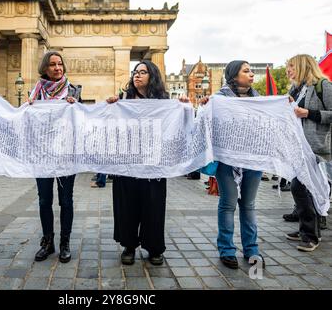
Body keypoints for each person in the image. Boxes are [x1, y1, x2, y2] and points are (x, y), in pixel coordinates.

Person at [106, 60, 189, 266]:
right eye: (135, 72)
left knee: (153, 206)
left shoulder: (164, 101)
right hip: (127, 163)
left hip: (153, 164)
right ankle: (129, 245)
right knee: (127, 206)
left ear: (152, 76)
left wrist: (184, 107)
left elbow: (179, 125)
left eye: (142, 72)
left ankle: (154, 247)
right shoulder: (123, 99)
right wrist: (110, 106)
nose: (137, 75)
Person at [199, 60, 265, 269]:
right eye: (246, 71)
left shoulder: (260, 100)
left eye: (251, 71)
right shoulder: (219, 98)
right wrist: (206, 106)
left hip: (253, 158)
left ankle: (251, 250)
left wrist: (286, 103)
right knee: (228, 203)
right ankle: (227, 249)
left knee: (249, 204)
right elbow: (207, 122)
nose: (251, 74)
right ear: (234, 75)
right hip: (227, 160)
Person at [29, 51, 81, 263]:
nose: (57, 68)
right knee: (44, 201)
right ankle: (48, 242)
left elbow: (82, 121)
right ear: (45, 68)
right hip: (42, 155)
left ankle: (65, 242)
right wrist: (28, 109)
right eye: (52, 64)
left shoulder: (73, 90)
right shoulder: (36, 92)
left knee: (66, 201)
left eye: (60, 64)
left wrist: (75, 106)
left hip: (66, 154)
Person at [284, 54, 331, 251]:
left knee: (300, 187)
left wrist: (308, 113)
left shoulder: (323, 85)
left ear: (303, 66)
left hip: (316, 147)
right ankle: (306, 229)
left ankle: (310, 235)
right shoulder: (296, 89)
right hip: (299, 148)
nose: (288, 71)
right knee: (303, 188)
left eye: (291, 67)